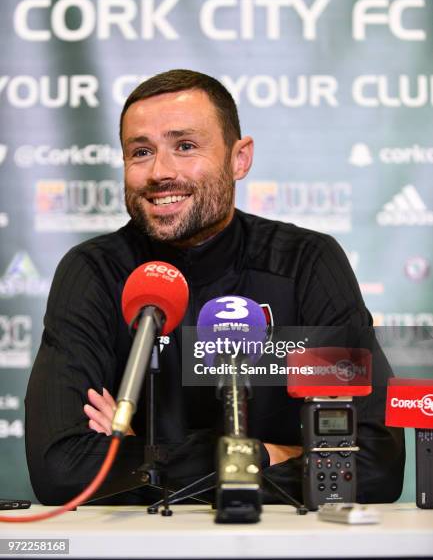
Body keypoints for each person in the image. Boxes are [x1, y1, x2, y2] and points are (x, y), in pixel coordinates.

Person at [25, 69, 404, 505]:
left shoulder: (305, 263)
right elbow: (62, 468)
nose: (160, 172)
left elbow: (376, 463)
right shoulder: (93, 271)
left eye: (185, 146)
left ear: (239, 158)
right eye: (141, 152)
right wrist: (264, 455)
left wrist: (142, 455)